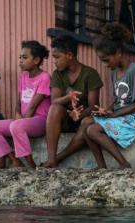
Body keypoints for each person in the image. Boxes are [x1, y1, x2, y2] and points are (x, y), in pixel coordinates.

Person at [83, 23, 135, 169]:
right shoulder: (113, 72)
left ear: (118, 53)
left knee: (93, 130)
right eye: (102, 61)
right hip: (120, 114)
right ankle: (101, 167)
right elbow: (118, 100)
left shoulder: (133, 71)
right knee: (86, 122)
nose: (105, 64)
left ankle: (124, 164)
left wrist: (115, 114)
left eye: (106, 60)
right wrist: (108, 110)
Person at [0, 41, 51, 168]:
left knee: (16, 126)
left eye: (25, 58)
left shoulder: (45, 77)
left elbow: (33, 106)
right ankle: (14, 159)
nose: (20, 61)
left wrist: (20, 121)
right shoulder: (23, 76)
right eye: (20, 57)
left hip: (40, 121)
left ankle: (31, 164)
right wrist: (17, 114)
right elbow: (18, 101)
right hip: (23, 121)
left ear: (36, 60)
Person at [41, 35, 103, 168]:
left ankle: (58, 158)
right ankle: (51, 158)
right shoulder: (58, 74)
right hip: (64, 120)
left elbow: (94, 106)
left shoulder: (90, 74)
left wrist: (79, 115)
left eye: (57, 57)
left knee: (88, 124)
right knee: (55, 108)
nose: (54, 62)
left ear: (69, 55)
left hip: (83, 119)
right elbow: (54, 101)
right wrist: (68, 98)